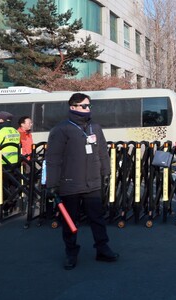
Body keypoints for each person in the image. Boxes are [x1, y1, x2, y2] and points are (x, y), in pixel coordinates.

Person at [45, 92, 118, 270]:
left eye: (89, 106)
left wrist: (106, 173)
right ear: (73, 107)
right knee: (70, 221)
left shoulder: (95, 127)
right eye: (84, 106)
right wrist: (52, 184)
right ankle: (71, 253)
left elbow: (102, 152)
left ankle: (102, 248)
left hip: (92, 182)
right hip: (70, 183)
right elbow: (53, 159)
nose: (87, 109)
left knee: (97, 218)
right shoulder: (61, 129)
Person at [0, 111, 21, 214]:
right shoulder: (14, 131)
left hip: (2, 161)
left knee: (2, 184)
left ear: (3, 120)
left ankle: (4, 206)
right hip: (14, 161)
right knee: (12, 183)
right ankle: (13, 201)